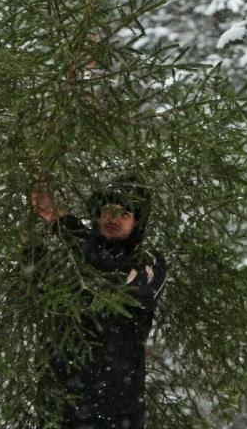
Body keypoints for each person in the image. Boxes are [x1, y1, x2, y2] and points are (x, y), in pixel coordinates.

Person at [28, 176, 168, 429]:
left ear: (137, 222)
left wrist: (62, 222)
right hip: (59, 405)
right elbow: (36, 284)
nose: (113, 218)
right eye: (108, 210)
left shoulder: (149, 263)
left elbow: (112, 276)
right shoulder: (69, 255)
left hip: (116, 412)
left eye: (124, 213)